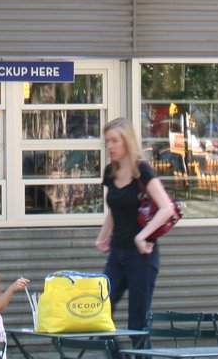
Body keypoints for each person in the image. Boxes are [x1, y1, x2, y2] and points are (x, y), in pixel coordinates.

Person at [95, 117, 174, 343]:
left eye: (114, 141)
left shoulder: (142, 170)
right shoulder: (110, 171)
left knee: (137, 325)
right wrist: (103, 236)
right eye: (106, 141)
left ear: (127, 141)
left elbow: (166, 209)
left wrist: (142, 235)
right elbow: (116, 208)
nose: (109, 146)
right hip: (116, 254)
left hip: (142, 257)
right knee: (98, 313)